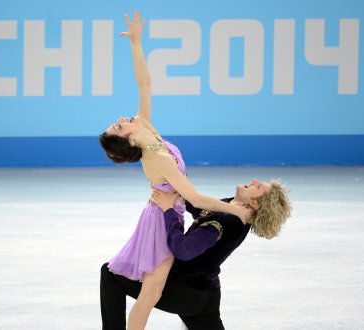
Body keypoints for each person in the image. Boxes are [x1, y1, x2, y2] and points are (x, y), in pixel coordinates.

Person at [98, 11, 251, 330]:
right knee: (150, 294)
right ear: (126, 137)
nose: (122, 118)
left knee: (150, 294)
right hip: (160, 222)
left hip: (166, 214)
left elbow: (145, 82)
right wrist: (234, 210)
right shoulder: (157, 159)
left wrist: (136, 45)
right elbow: (192, 194)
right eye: (118, 125)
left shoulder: (149, 132)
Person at [100, 178, 292, 329]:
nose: (255, 180)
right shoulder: (232, 207)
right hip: (206, 296)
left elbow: (182, 250)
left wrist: (168, 211)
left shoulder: (227, 219)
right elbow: (201, 209)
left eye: (258, 187)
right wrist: (176, 190)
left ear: (255, 203)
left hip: (184, 292)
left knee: (111, 275)